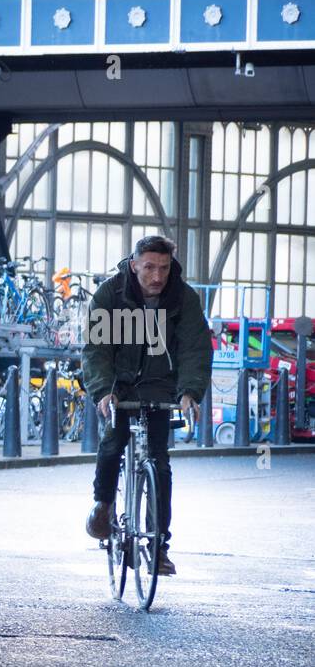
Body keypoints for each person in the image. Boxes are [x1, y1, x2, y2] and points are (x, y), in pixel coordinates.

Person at [82, 235, 212, 576]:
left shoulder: (183, 298)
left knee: (160, 464)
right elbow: (97, 349)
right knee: (112, 443)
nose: (157, 277)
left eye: (164, 268)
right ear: (135, 263)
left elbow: (195, 349)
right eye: (150, 267)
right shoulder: (110, 294)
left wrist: (189, 393)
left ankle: (158, 547)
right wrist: (103, 392)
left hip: (160, 387)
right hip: (119, 386)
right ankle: (103, 506)